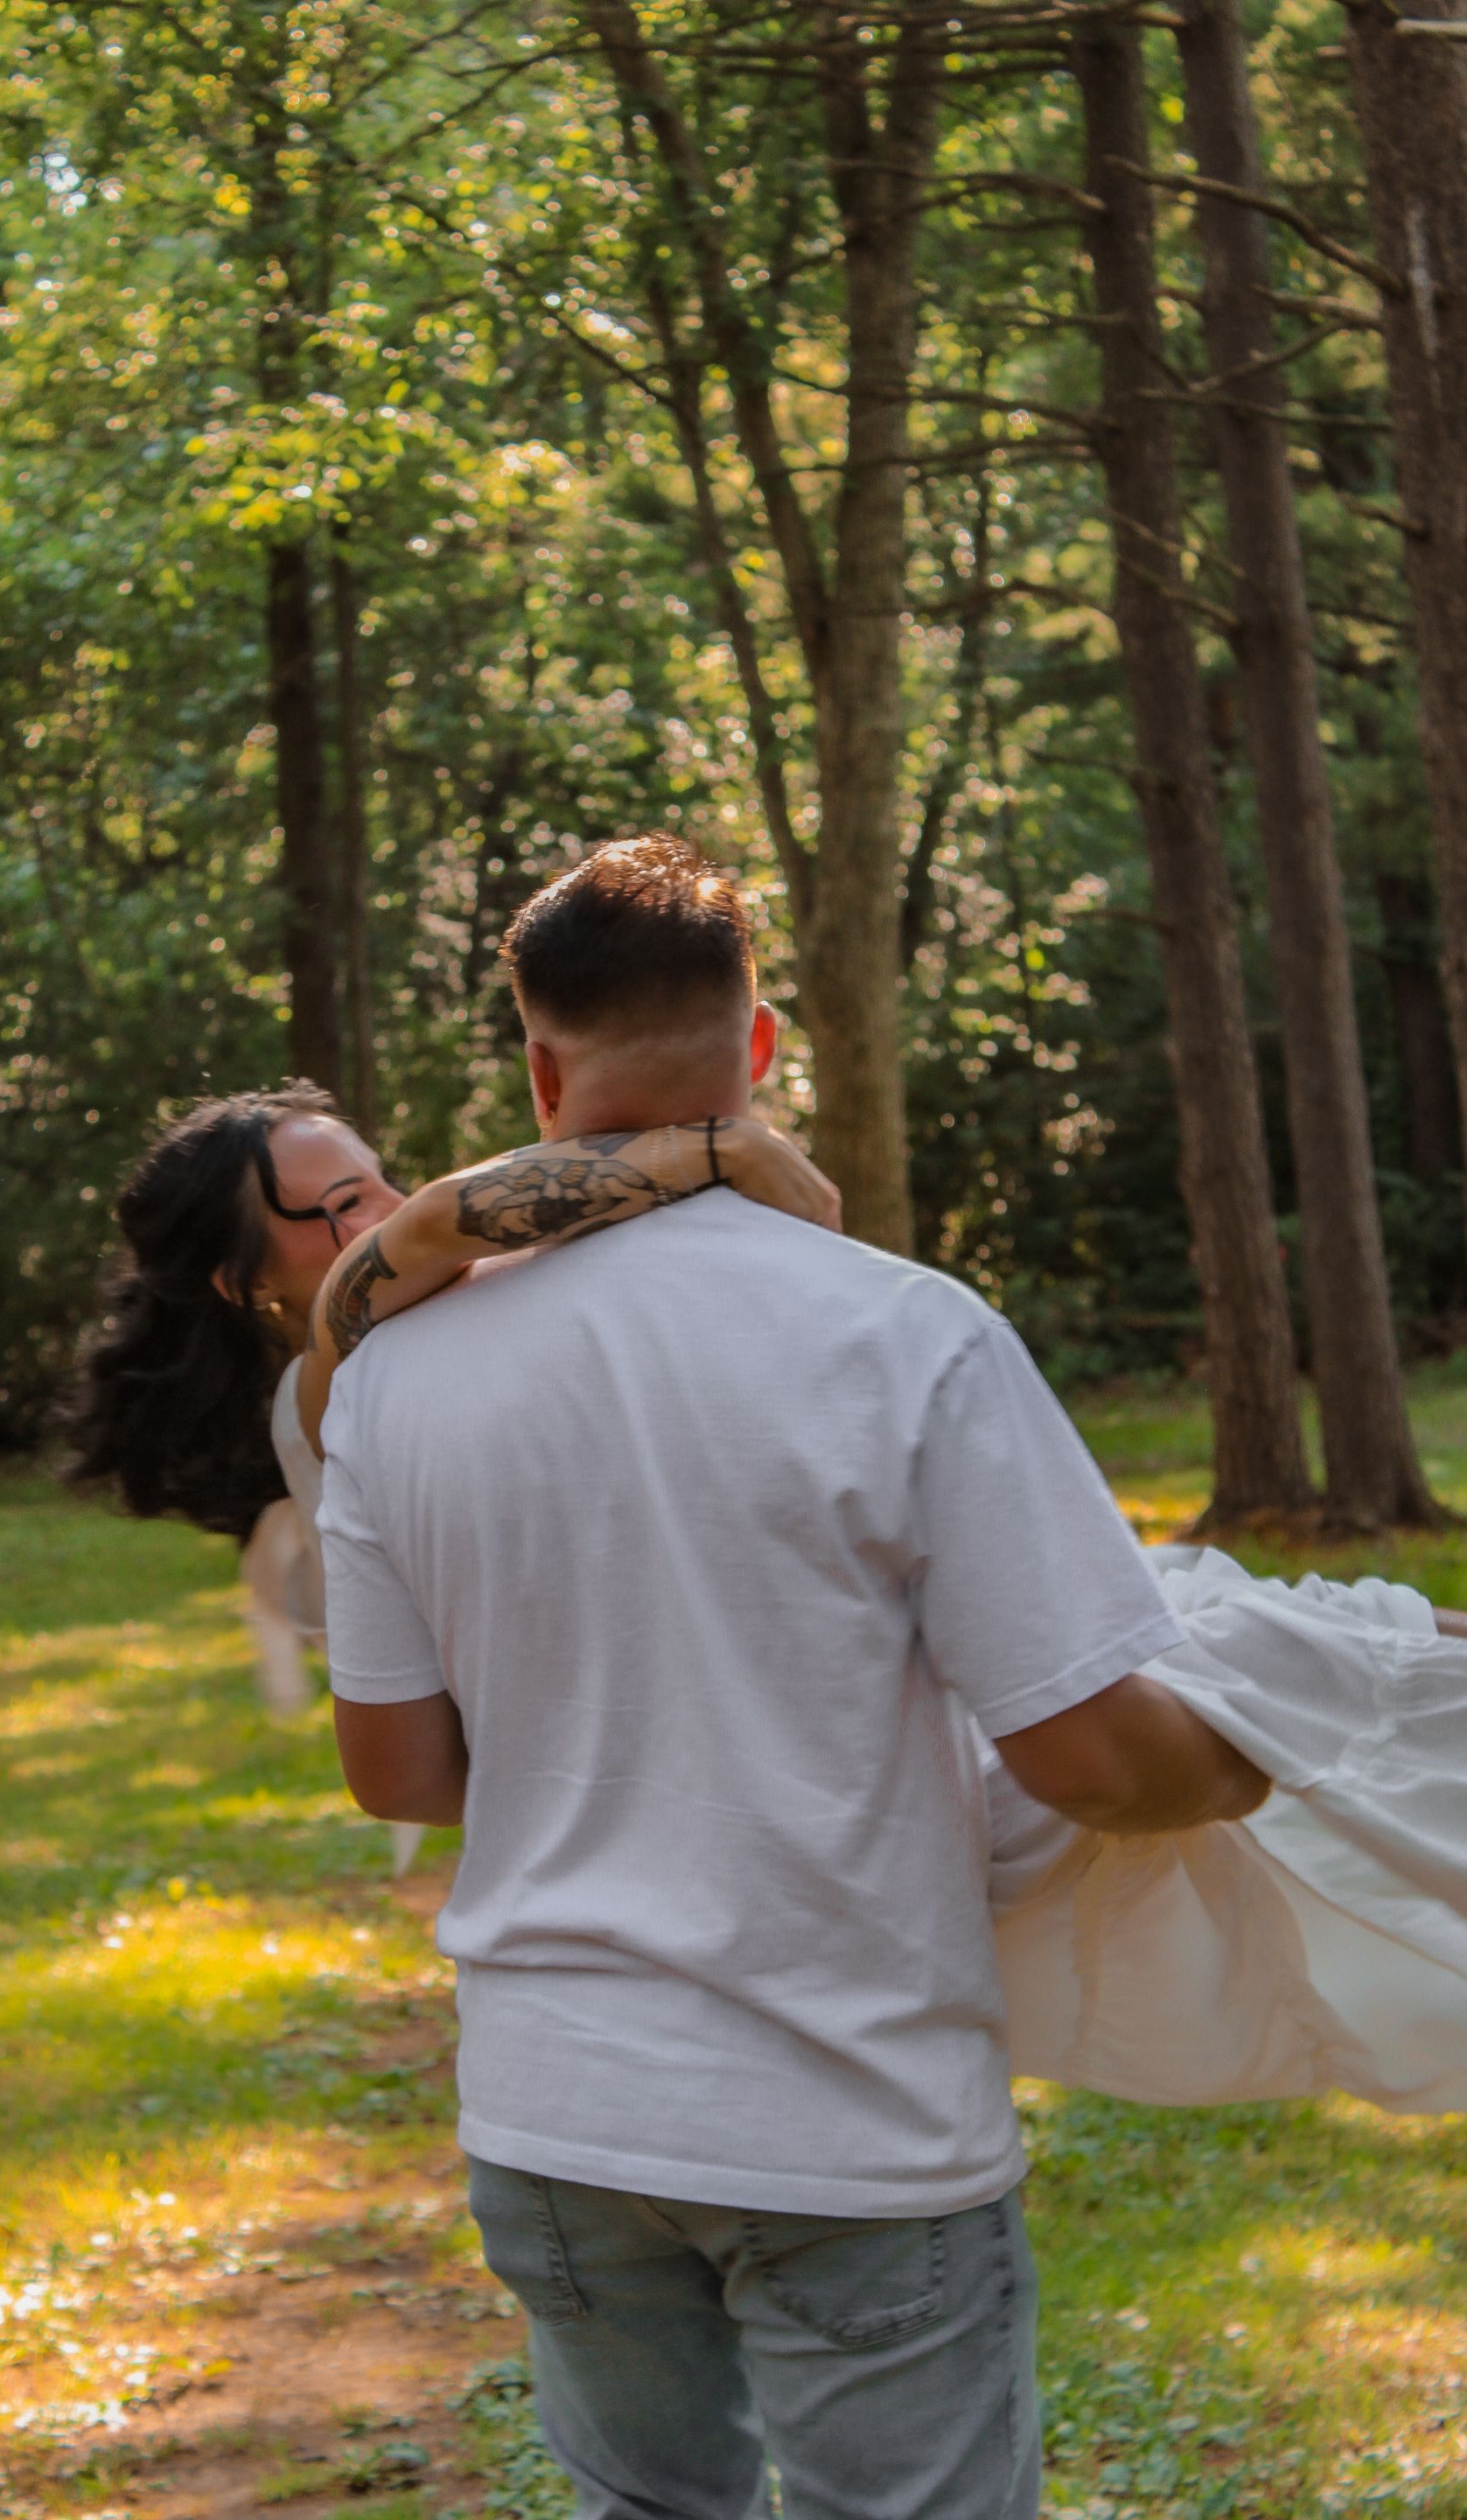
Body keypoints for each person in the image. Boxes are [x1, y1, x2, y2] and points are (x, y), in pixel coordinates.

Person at [316, 835, 1267, 2520]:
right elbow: (1101, 1761)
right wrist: (1256, 1756)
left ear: (538, 1063)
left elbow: (396, 1772)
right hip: (846, 2114)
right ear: (761, 1050)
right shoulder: (910, 1334)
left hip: (556, 2113)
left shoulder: (391, 1378)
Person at [66, 1080, 839, 1882]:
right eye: (347, 1202)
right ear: (245, 1282)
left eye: (382, 1180)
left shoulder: (444, 1330)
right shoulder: (318, 1396)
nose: (391, 1211)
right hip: (613, 1840)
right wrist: (721, 1149)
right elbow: (438, 1223)